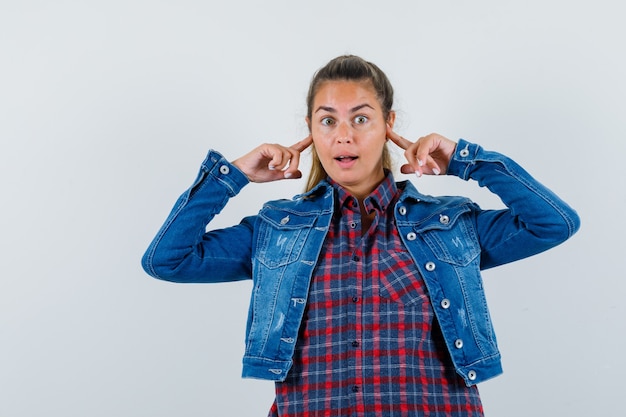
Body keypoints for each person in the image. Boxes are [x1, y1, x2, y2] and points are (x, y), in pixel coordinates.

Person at [141, 55, 580, 416]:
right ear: (310, 133)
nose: (344, 135)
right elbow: (167, 259)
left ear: (388, 125)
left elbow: (553, 223)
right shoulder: (276, 231)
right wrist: (231, 177)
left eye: (361, 118)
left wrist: (467, 161)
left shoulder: (450, 226)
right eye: (327, 121)